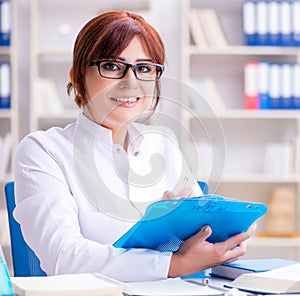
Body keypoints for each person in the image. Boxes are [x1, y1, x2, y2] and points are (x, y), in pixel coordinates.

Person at [13, 11, 254, 282]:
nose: (131, 82)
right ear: (78, 74)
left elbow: (198, 245)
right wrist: (173, 264)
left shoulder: (164, 145)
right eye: (113, 66)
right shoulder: (43, 151)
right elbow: (64, 257)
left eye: (144, 68)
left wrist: (215, 237)